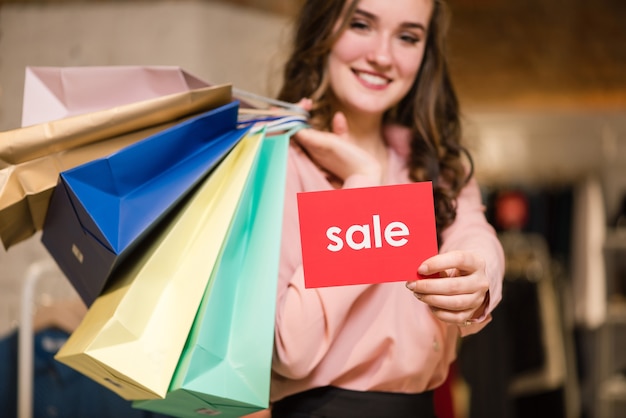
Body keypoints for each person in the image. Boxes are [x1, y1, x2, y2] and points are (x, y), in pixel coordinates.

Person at [264, 0, 505, 416]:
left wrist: (480, 273)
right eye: (361, 25)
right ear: (324, 28)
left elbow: (474, 233)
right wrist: (362, 186)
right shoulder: (280, 160)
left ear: (425, 53)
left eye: (408, 37)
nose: (382, 56)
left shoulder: (431, 163)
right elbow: (289, 350)